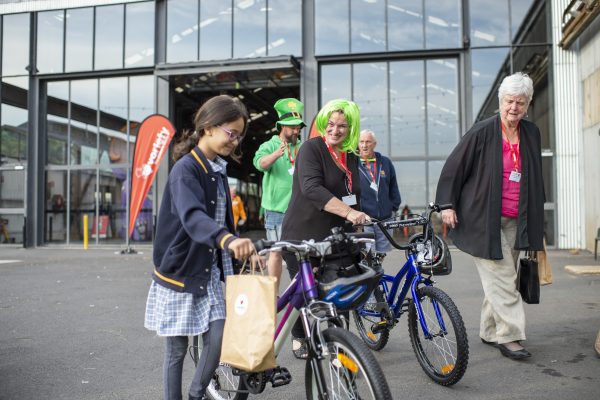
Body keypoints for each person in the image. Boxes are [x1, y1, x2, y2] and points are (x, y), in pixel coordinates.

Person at [144, 95, 256, 400]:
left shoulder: (218, 170)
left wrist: (242, 250)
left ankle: (196, 395)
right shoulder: (185, 170)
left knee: (218, 337)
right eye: (231, 133)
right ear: (208, 127)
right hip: (180, 270)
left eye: (239, 136)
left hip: (209, 271)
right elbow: (194, 218)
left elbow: (224, 218)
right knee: (177, 350)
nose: (234, 142)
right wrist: (228, 240)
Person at [435, 72, 545, 360]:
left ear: (528, 104)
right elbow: (453, 168)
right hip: (482, 218)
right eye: (510, 101)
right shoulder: (482, 131)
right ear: (501, 101)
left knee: (500, 279)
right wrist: (447, 204)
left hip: (516, 218)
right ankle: (509, 336)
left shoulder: (531, 133)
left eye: (521, 103)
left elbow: (535, 177)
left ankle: (488, 329)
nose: (514, 108)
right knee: (503, 275)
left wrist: (535, 219)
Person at [280, 98, 370, 359]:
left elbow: (353, 194)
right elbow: (312, 188)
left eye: (342, 125)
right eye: (330, 124)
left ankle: (341, 350)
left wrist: (359, 232)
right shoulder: (311, 149)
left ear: (350, 128)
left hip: (336, 238)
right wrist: (350, 212)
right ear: (323, 124)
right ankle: (299, 336)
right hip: (302, 235)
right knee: (302, 294)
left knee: (340, 294)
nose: (335, 130)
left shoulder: (350, 155)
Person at [253, 98, 305, 285]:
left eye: (298, 127)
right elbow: (260, 164)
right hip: (276, 211)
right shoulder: (269, 145)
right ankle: (272, 293)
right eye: (292, 127)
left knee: (301, 252)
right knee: (276, 252)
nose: (296, 130)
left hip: (300, 211)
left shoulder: (302, 147)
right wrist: (276, 154)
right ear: (281, 126)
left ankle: (301, 290)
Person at [357, 129, 401, 253]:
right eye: (361, 142)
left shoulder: (385, 162)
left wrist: (393, 208)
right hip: (365, 219)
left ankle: (379, 272)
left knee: (382, 254)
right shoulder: (353, 164)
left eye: (368, 142)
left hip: (385, 219)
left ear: (374, 144)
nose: (364, 145)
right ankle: (373, 272)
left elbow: (393, 187)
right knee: (368, 254)